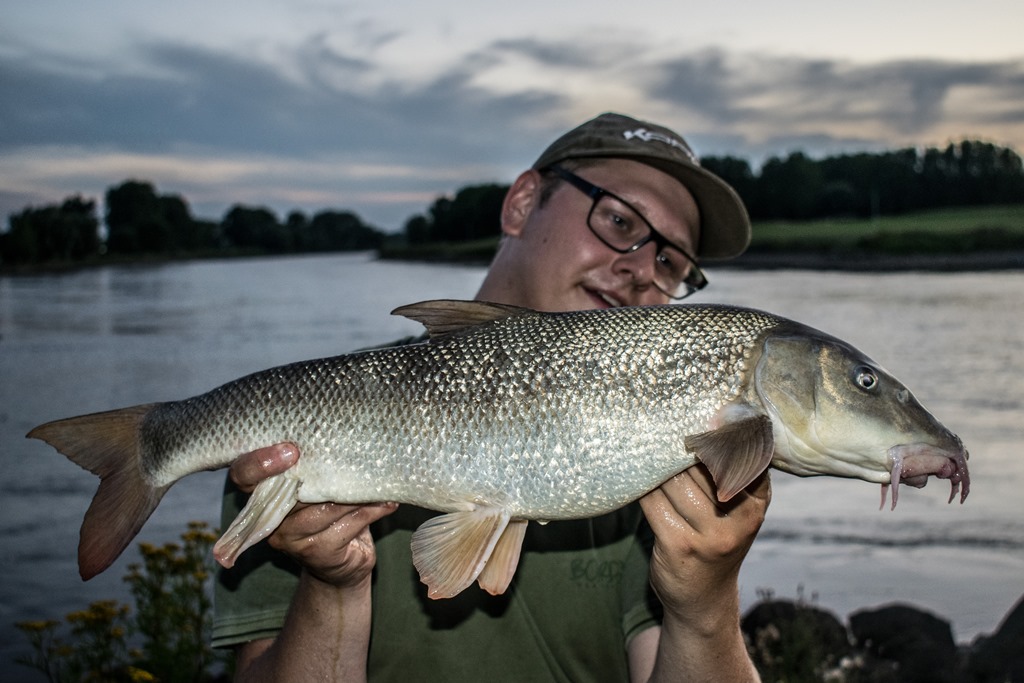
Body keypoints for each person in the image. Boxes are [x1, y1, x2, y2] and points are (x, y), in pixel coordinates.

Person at [213, 112, 772, 682]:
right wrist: (333, 586)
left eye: (670, 263)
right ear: (522, 203)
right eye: (619, 221)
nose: (638, 270)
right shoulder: (309, 421)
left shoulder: (658, 453)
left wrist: (707, 604)